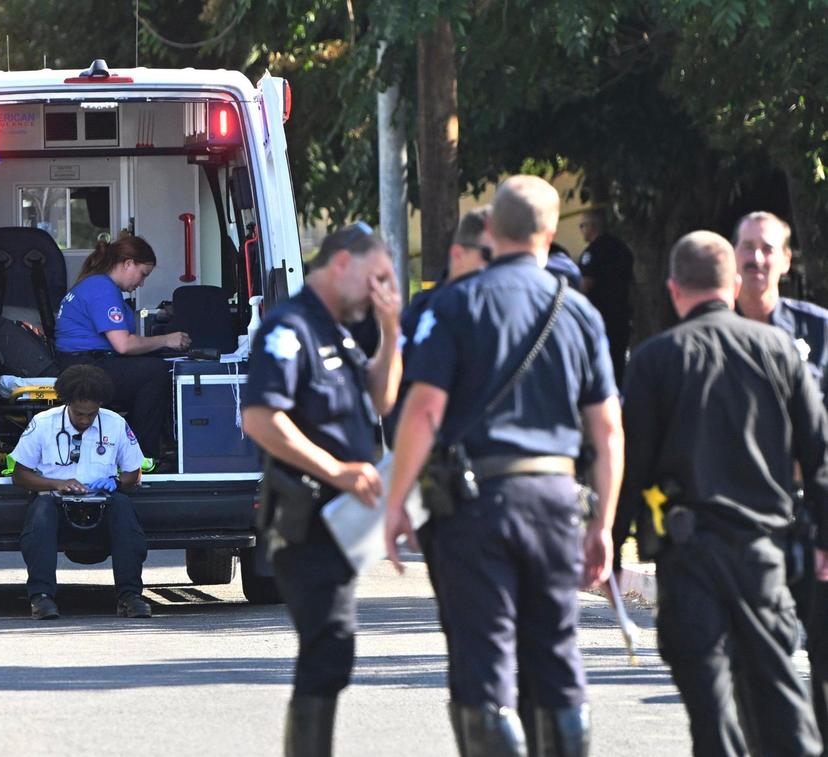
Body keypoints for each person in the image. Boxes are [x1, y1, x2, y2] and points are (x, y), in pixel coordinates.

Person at [384, 175, 623, 756]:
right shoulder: (580, 313)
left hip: (477, 506)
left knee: (484, 667)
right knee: (557, 661)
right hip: (556, 499)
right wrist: (605, 523)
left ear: (490, 230)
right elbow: (608, 429)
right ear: (551, 230)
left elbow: (422, 413)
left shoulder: (455, 303)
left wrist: (396, 502)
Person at [615, 230, 828, 755]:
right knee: (783, 706)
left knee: (712, 715)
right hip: (763, 556)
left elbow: (630, 466)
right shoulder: (779, 350)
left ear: (673, 289)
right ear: (733, 284)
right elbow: (819, 453)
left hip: (688, 560)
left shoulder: (653, 361)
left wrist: (608, 541)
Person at [241, 223, 401, 756]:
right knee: (327, 650)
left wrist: (392, 328)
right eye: (376, 277)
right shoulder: (289, 328)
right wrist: (339, 471)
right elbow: (262, 420)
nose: (382, 288)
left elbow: (381, 401)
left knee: (330, 653)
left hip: (343, 524)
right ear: (341, 266)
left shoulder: (343, 329)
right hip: (306, 517)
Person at [732, 210, 828, 743]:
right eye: (747, 247)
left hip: (812, 516)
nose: (757, 259)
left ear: (786, 261)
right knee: (751, 664)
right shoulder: (714, 328)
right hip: (742, 521)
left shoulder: (817, 329)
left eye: (768, 249)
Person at [11, 364, 151, 620]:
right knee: (40, 514)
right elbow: (19, 475)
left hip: (101, 504)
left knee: (124, 509)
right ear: (67, 404)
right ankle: (41, 598)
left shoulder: (115, 424)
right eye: (78, 414)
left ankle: (130, 597)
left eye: (91, 414)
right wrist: (56, 484)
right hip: (57, 505)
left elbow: (134, 473)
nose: (85, 420)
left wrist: (117, 483)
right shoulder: (43, 424)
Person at [55, 235, 191, 466]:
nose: (142, 283)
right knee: (155, 372)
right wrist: (166, 340)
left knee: (150, 365)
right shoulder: (102, 288)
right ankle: (142, 456)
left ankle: (136, 448)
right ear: (128, 263)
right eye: (143, 274)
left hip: (82, 362)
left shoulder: (95, 284)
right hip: (85, 368)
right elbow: (123, 344)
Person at [385, 204, 491, 444]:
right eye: (489, 256)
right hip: (440, 457)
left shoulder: (503, 307)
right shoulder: (425, 312)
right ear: (458, 254)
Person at [578, 209, 633, 383]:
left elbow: (585, 284)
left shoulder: (592, 252)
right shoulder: (621, 248)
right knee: (618, 364)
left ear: (592, 227)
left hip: (600, 316)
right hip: (621, 314)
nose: (581, 230)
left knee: (599, 364)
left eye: (582, 226)